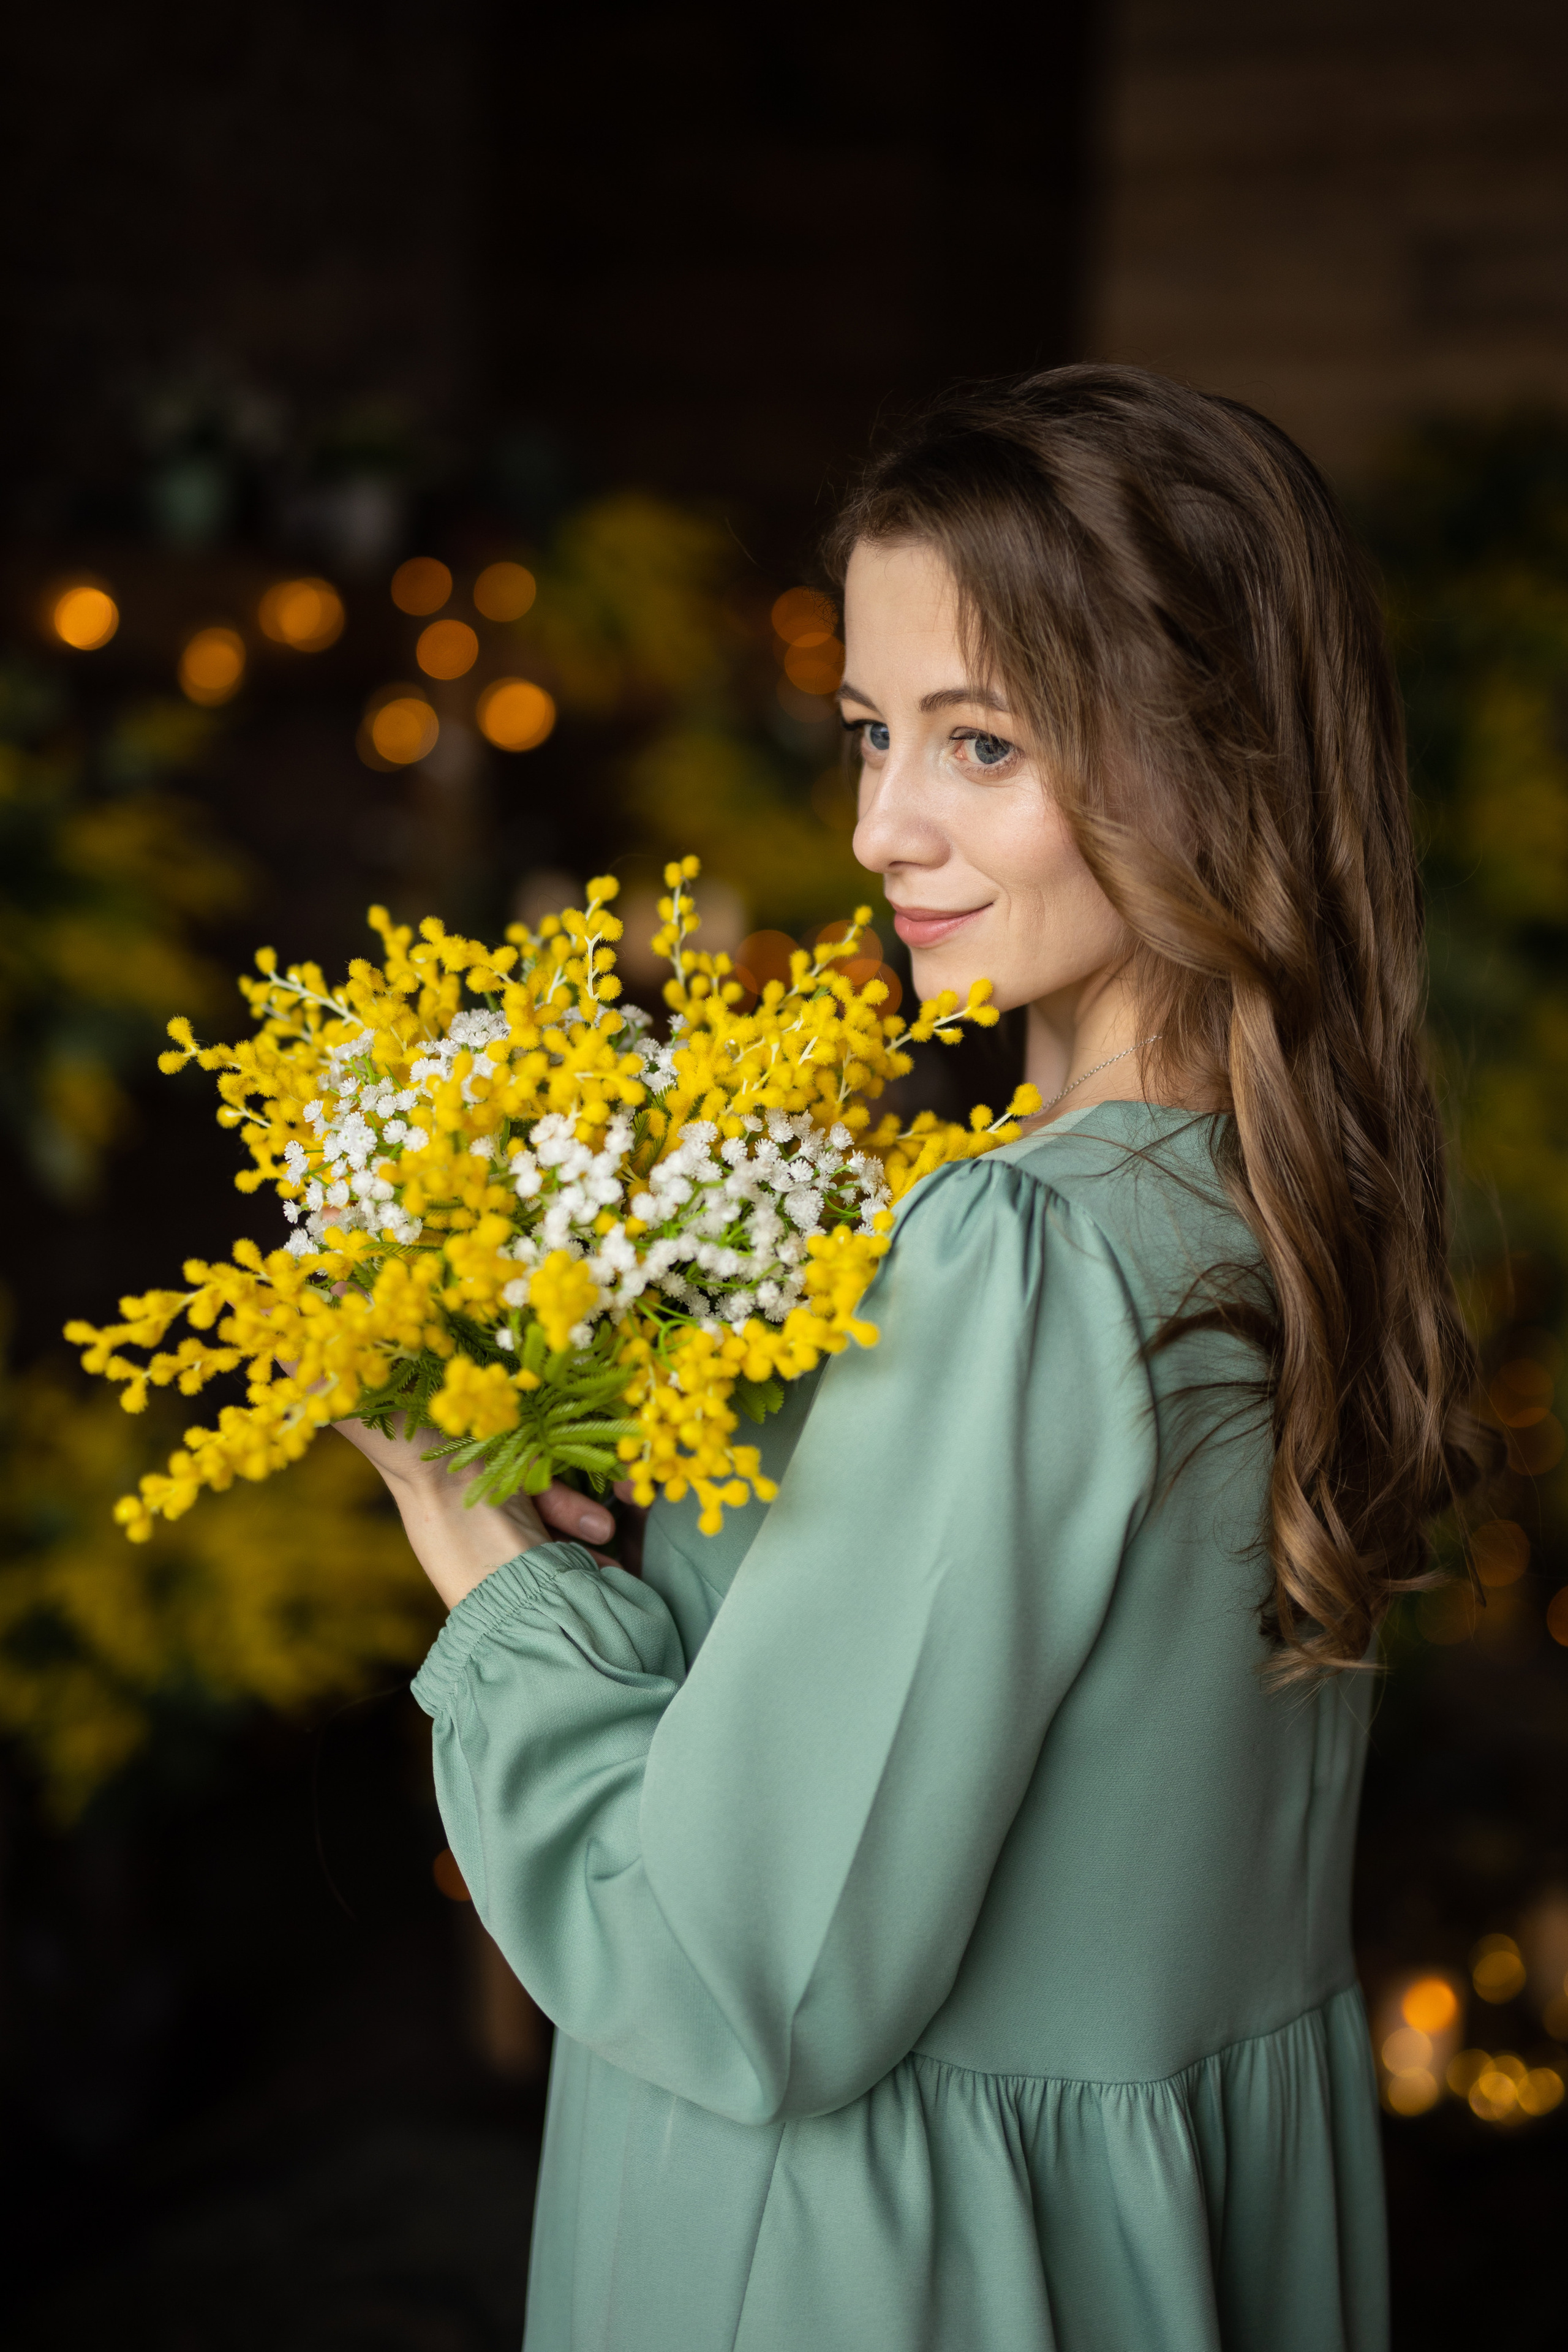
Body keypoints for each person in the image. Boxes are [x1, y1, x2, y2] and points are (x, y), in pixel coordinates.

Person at [336, 366, 1492, 2351]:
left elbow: (747, 1987)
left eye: (983, 742)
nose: (882, 826)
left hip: (885, 2266)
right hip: (1157, 2243)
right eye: (874, 732)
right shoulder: (1283, 1201)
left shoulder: (1017, 1257)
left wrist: (481, 1557)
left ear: (1217, 757)